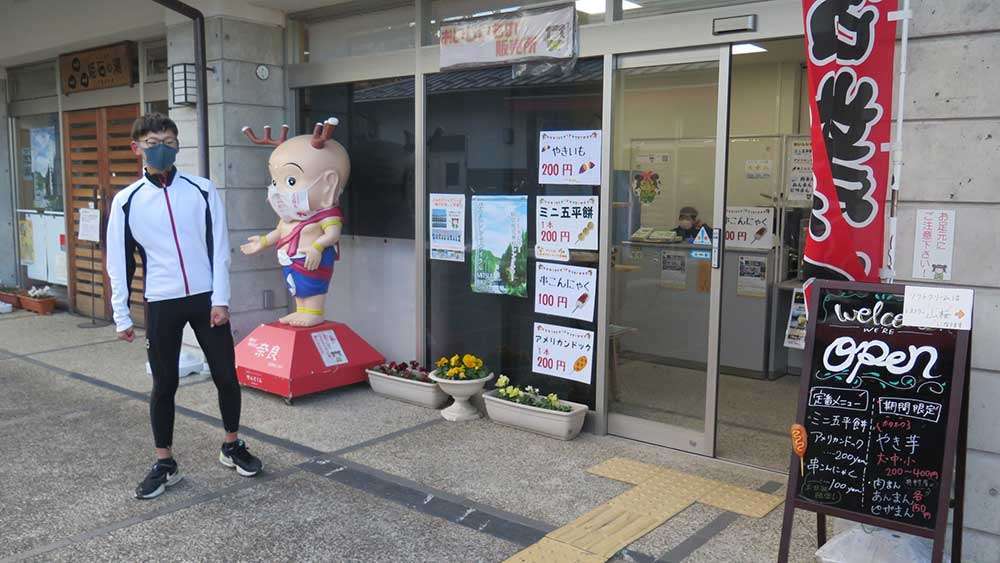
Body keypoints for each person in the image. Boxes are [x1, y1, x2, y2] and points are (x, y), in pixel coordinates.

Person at [106, 113, 262, 500]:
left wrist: (221, 299)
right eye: (152, 141)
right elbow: (119, 261)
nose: (161, 146)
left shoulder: (203, 189)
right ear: (136, 148)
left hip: (206, 299)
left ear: (178, 145)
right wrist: (121, 314)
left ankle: (231, 445)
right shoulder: (126, 202)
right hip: (161, 301)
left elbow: (219, 248)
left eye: (169, 140)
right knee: (164, 384)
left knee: (227, 374)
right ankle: (165, 462)